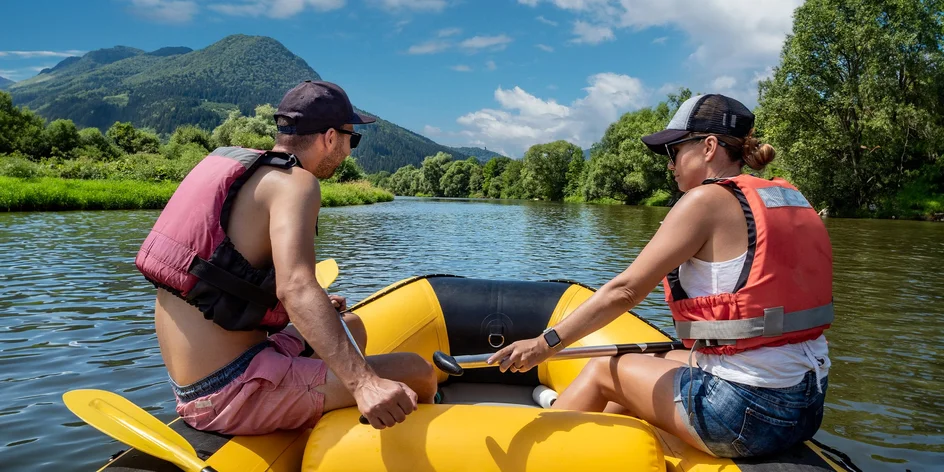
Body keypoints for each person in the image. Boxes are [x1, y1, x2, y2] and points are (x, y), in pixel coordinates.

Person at [488, 94, 833, 458]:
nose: (670, 166)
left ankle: (529, 456)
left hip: (746, 413)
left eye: (674, 151)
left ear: (709, 147)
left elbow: (625, 290)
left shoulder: (705, 201)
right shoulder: (787, 198)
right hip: (806, 405)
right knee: (668, 358)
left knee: (605, 368)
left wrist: (544, 344)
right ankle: (598, 449)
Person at [135, 80, 437, 435]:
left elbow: (244, 279)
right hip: (230, 391)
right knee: (418, 371)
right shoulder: (298, 184)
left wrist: (319, 307)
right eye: (351, 140)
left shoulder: (243, 171)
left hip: (206, 379)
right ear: (329, 137)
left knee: (351, 324)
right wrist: (363, 384)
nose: (350, 152)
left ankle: (328, 418)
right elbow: (295, 288)